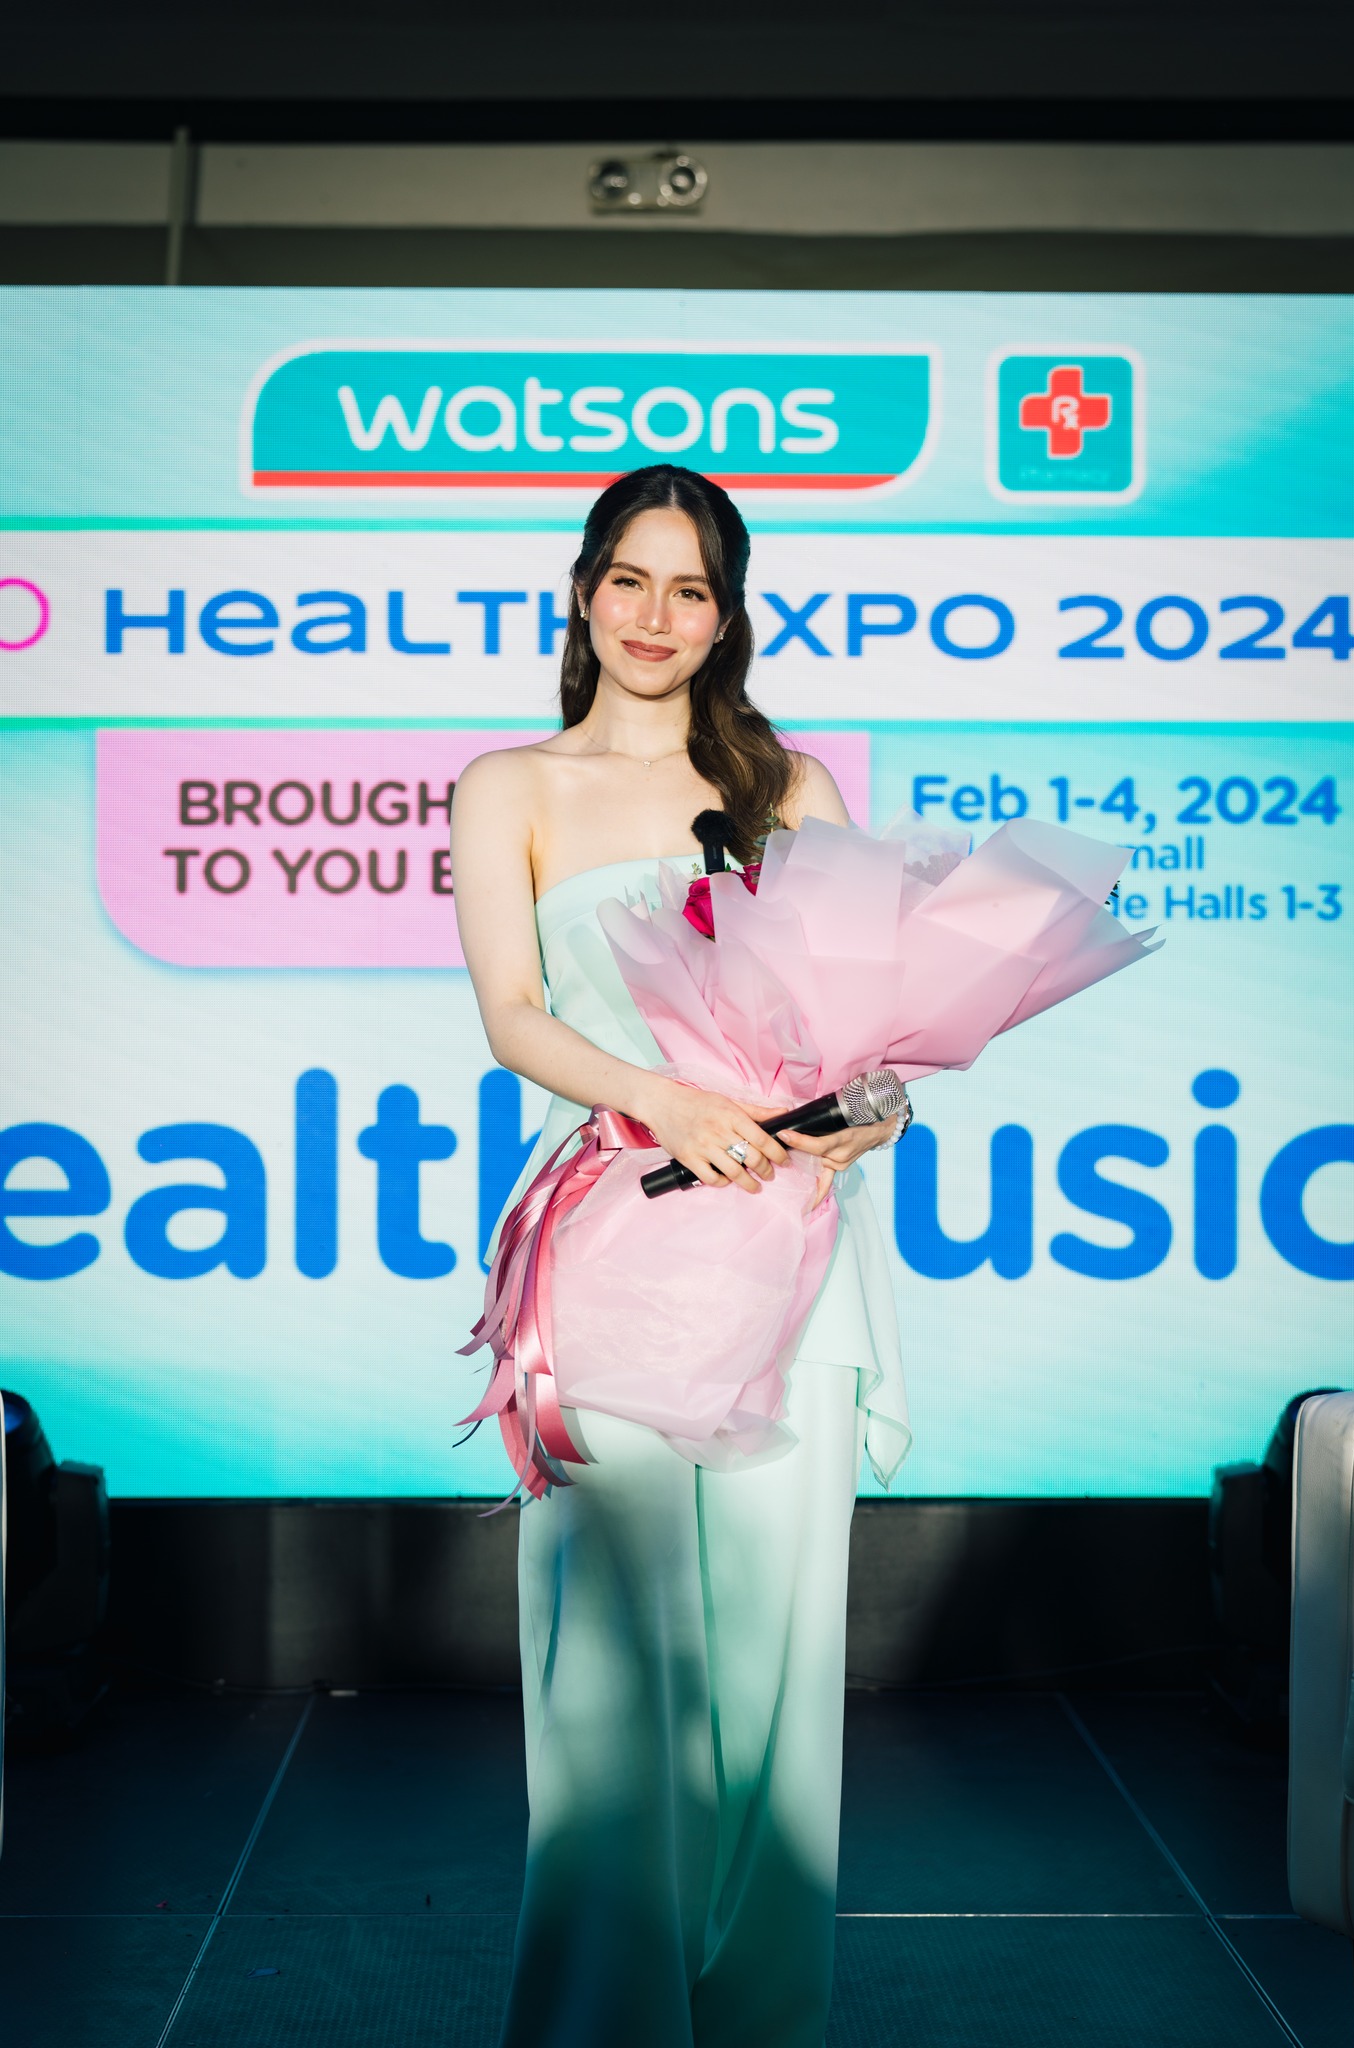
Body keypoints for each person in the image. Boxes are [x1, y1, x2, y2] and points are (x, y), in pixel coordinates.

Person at [451, 465, 911, 2048]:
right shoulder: (511, 786)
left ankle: (759, 2023)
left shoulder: (795, 786)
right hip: (615, 1245)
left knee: (776, 1677)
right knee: (608, 1668)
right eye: (630, 581)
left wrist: (872, 1113)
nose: (656, 616)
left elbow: (867, 1031)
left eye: (691, 588)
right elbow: (514, 1017)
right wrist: (666, 1101)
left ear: (728, 616)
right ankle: (603, 2022)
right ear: (584, 593)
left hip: (794, 1255)